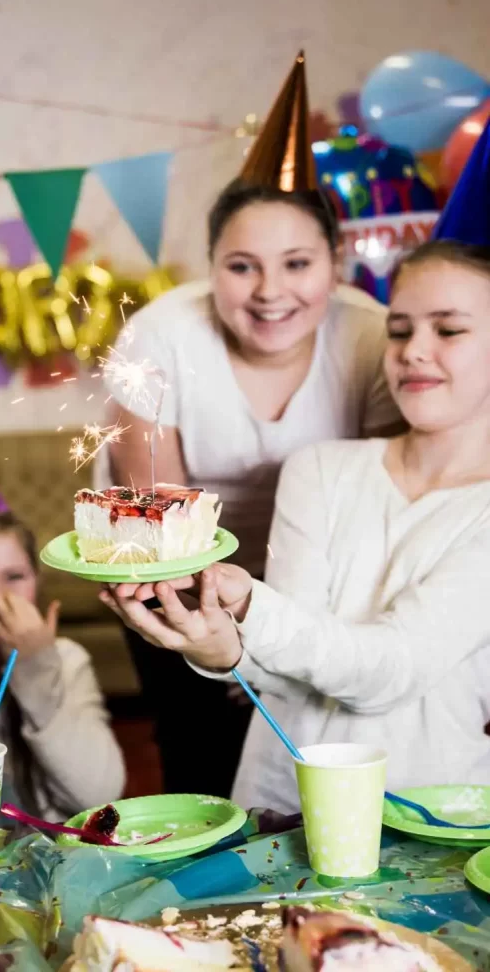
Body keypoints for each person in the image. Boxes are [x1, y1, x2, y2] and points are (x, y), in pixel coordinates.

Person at [95, 52, 401, 796]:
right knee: (198, 751)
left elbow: (377, 507)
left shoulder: (373, 336)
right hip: (175, 560)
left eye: (297, 263)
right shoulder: (159, 337)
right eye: (242, 266)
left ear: (335, 262)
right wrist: (216, 631)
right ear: (210, 267)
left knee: (314, 746)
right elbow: (157, 513)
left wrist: (272, 626)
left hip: (319, 566)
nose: (270, 293)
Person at [102, 237, 490, 812]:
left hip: (427, 826)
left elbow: (393, 667)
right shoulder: (319, 469)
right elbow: (286, 665)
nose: (413, 351)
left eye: (449, 330)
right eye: (401, 329)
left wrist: (251, 606)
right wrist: (222, 650)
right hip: (280, 805)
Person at [0, 426, 125, 821]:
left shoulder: (67, 662)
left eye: (13, 577)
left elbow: (102, 794)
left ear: (37, 587)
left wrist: (36, 673)